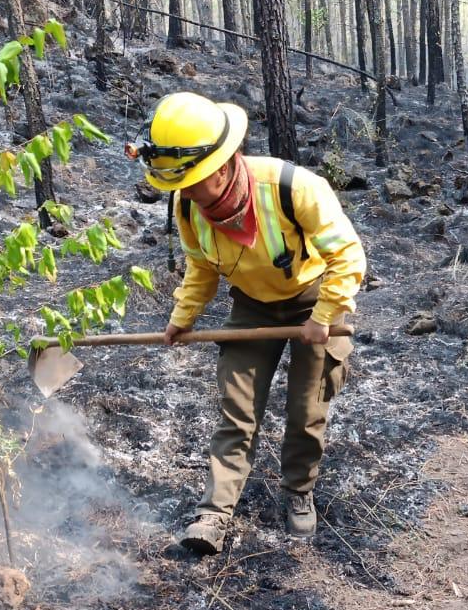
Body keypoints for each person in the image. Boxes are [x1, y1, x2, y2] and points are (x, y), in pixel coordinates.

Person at [126, 92, 366, 553]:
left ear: (221, 167)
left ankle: (298, 491)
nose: (188, 194)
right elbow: (200, 268)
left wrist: (321, 317)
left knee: (307, 408)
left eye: (194, 182)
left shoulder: (293, 188)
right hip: (253, 306)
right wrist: (182, 318)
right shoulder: (188, 207)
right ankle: (216, 511)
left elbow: (347, 256)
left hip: (315, 299)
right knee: (236, 408)